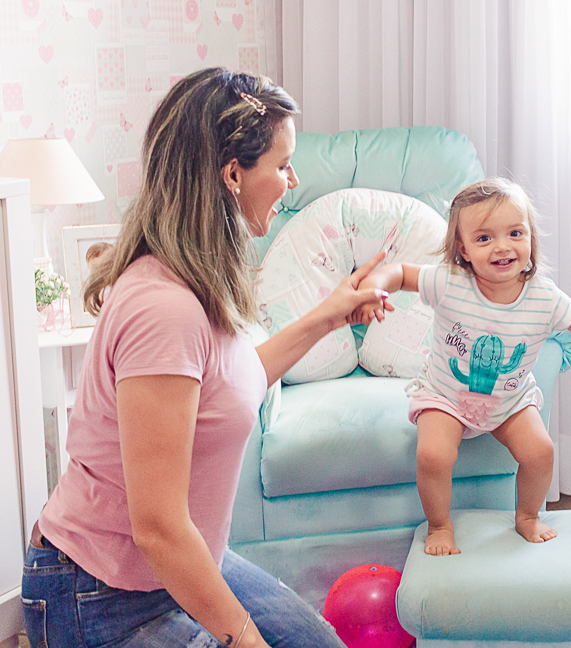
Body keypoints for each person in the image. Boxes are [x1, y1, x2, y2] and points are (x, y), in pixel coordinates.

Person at [22, 67, 389, 648]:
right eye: (283, 164)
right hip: (101, 594)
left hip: (175, 567)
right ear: (233, 175)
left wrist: (328, 315)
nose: (292, 180)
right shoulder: (163, 309)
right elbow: (160, 528)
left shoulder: (200, 280)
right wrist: (244, 640)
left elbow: (232, 389)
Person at [356, 178, 571, 555]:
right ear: (463, 250)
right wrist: (376, 283)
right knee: (433, 455)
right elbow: (403, 273)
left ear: (530, 239)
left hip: (510, 400)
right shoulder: (450, 282)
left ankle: (528, 516)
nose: (502, 246)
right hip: (445, 396)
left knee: (541, 452)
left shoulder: (543, 297)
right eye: (484, 238)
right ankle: (439, 525)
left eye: (515, 233)